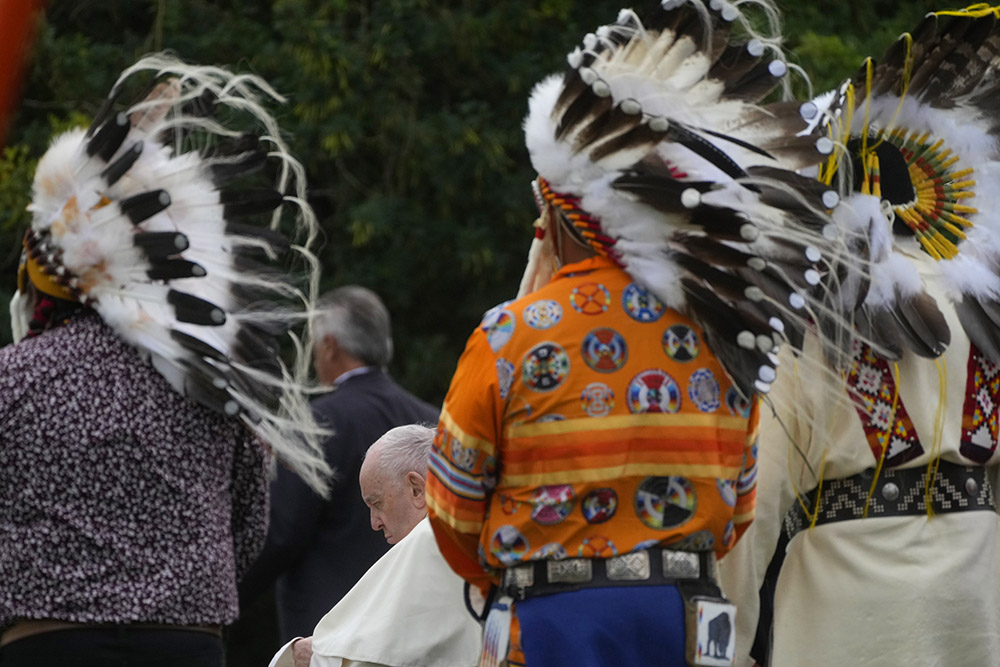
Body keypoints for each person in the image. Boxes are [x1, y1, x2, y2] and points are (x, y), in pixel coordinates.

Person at [422, 1, 868, 662]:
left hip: (548, 622)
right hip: (681, 619)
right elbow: (736, 511)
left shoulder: (508, 337)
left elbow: (453, 510)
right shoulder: (721, 338)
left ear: (555, 215)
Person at [0, 55, 330, 667]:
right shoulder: (206, 383)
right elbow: (248, 526)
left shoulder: (12, 379)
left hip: (49, 642)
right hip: (184, 641)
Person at [719, 6, 1000, 666]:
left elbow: (757, 499)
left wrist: (720, 641)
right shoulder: (983, 295)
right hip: (976, 601)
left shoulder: (813, 312)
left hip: (852, 613)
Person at [240, 286, 440, 641]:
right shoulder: (431, 420)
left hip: (330, 628)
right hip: (418, 625)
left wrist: (226, 598)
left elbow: (281, 533)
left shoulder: (317, 423)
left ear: (329, 345)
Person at [268, 425, 481, 667]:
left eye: (377, 503)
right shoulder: (474, 529)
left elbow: (369, 659)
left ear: (416, 489)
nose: (374, 523)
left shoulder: (432, 539)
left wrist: (313, 655)